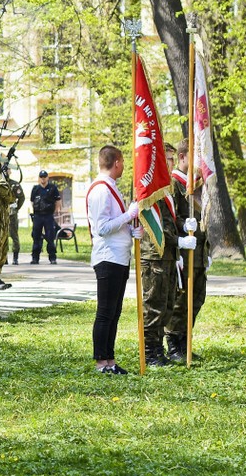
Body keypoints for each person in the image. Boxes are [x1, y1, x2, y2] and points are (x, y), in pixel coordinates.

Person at [86, 146, 141, 375]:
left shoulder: (110, 187)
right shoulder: (101, 190)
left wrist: (130, 230)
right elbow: (102, 227)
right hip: (108, 257)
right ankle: (101, 361)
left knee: (114, 312)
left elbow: (114, 223)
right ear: (116, 162)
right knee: (105, 312)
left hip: (119, 257)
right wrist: (129, 215)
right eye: (123, 162)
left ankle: (110, 359)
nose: (124, 166)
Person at [139, 143, 196, 366]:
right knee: (153, 306)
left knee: (167, 305)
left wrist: (184, 224)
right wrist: (179, 240)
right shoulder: (151, 188)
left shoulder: (167, 188)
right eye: (168, 159)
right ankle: (150, 352)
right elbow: (158, 226)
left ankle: (159, 349)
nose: (171, 163)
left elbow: (171, 220)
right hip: (155, 255)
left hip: (169, 254)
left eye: (172, 158)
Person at [166, 138, 209, 361]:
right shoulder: (174, 184)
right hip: (183, 250)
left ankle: (185, 341)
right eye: (195, 157)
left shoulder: (196, 184)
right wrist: (183, 228)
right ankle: (174, 344)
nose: (199, 162)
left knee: (197, 297)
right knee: (181, 299)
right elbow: (171, 217)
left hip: (198, 250)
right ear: (182, 157)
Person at [30, 169, 61, 264]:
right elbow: (32, 201)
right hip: (38, 215)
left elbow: (58, 201)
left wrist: (54, 212)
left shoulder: (52, 188)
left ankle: (52, 258)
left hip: (48, 216)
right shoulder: (35, 189)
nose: (43, 179)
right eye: (41, 177)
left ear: (47, 178)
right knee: (36, 237)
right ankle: (35, 258)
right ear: (39, 178)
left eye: (44, 177)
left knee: (50, 237)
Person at [7, 168, 25, 265]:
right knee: (1, 236)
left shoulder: (14, 184)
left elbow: (21, 197)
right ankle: (3, 258)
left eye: (7, 170)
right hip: (0, 212)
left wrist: (17, 208)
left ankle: (15, 257)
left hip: (11, 213)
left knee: (14, 236)